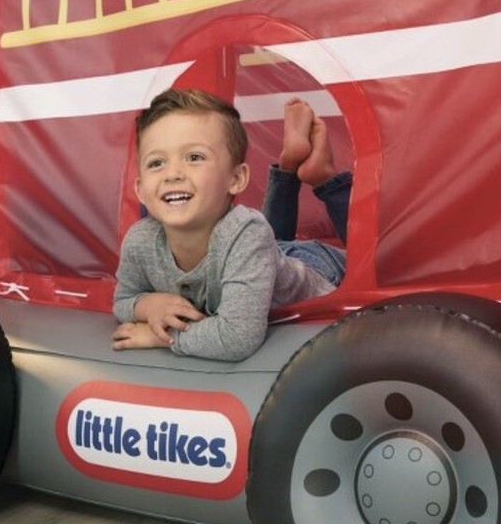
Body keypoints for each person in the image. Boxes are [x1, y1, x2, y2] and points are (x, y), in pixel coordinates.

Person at [111, 89, 350, 361]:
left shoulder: (248, 233)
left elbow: (236, 337)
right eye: (157, 162)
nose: (173, 174)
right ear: (140, 190)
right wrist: (146, 305)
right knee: (265, 239)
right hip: (264, 254)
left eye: (194, 157)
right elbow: (122, 300)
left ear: (235, 178)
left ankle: (324, 178)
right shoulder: (140, 241)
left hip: (316, 267)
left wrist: (161, 337)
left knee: (370, 261)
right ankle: (289, 164)